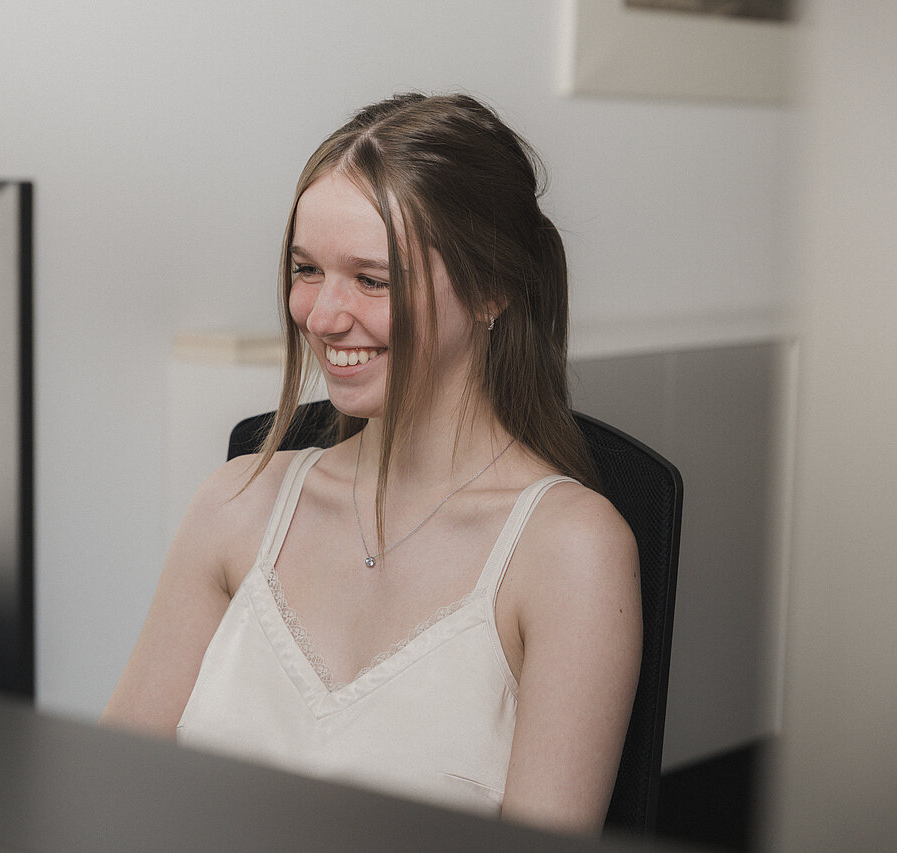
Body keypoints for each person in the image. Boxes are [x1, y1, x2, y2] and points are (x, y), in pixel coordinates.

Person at [101, 92, 641, 836]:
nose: (322, 316)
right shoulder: (237, 503)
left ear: (490, 290)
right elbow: (108, 800)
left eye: (372, 279)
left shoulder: (570, 549)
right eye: (307, 270)